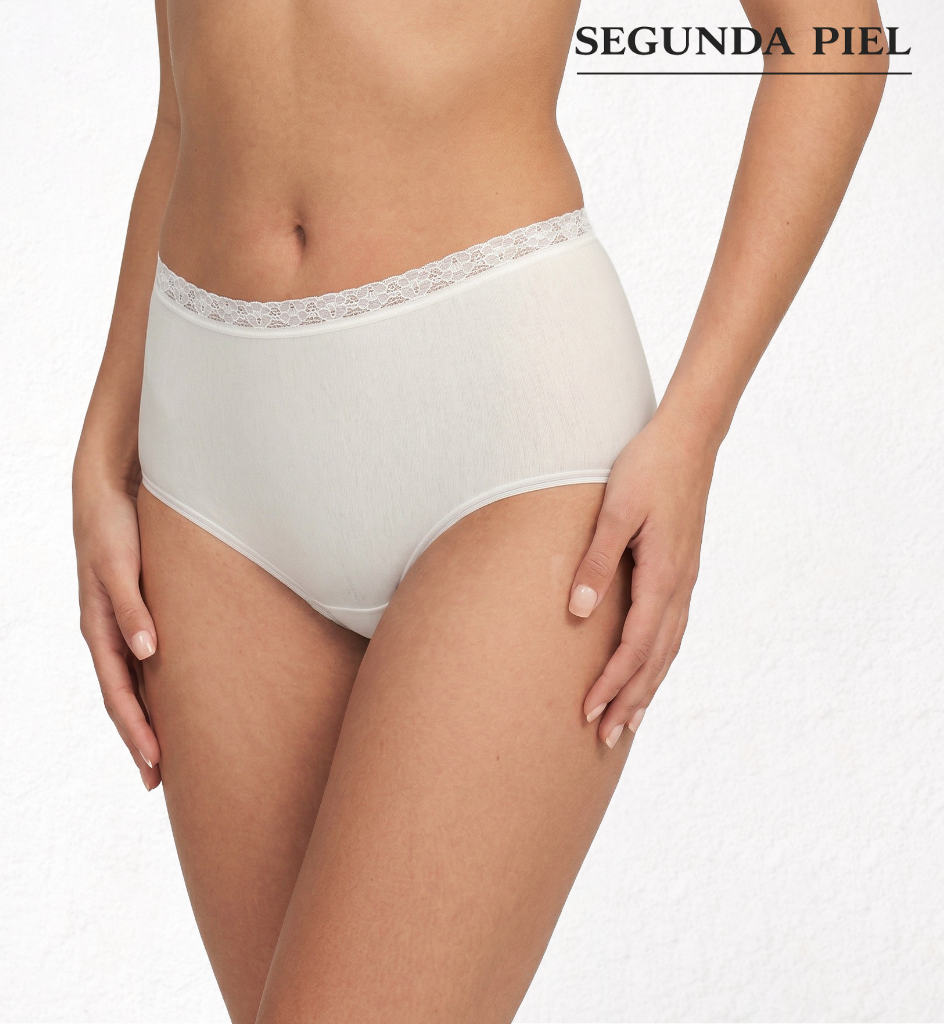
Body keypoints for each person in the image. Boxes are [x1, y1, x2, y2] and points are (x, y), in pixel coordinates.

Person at [72, 2, 888, 1021]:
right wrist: (105, 444)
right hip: (208, 458)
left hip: (504, 439)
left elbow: (834, 41)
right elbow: (184, 106)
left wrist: (695, 431)